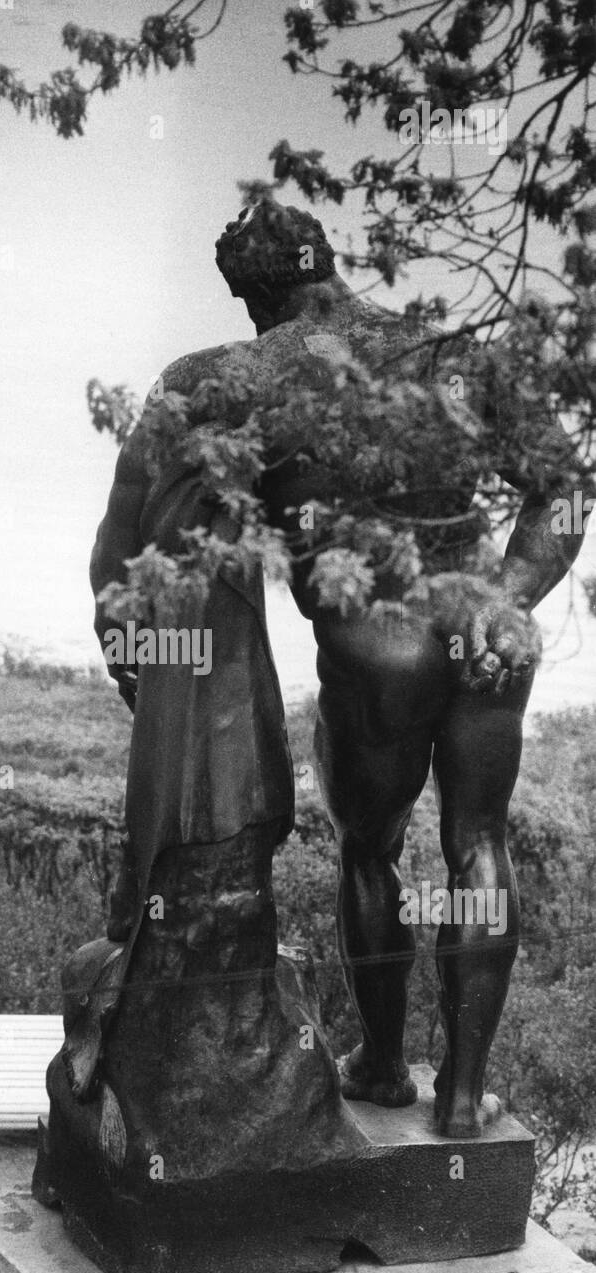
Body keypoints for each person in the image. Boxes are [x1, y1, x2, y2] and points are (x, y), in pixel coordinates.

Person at [89, 199, 590, 1138]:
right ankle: (461, 1096)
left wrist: (132, 651)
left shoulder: (219, 378)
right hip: (480, 633)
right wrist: (507, 593)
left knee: (372, 850)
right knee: (479, 844)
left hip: (373, 650)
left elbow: (121, 550)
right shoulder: (450, 351)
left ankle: (387, 1063)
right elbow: (563, 490)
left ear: (249, 297)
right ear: (331, 261)